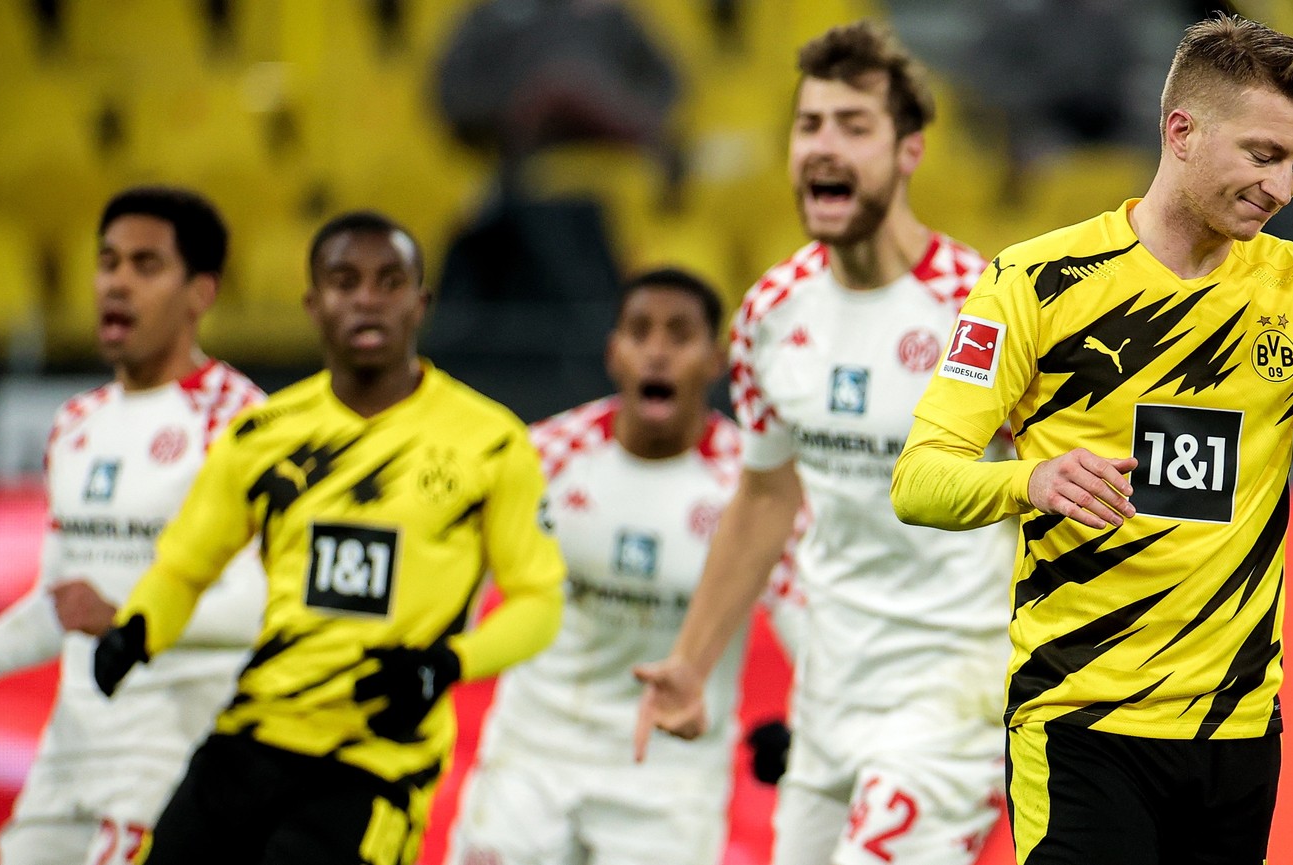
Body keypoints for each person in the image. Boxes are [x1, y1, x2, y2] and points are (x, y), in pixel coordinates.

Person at [890, 14, 1293, 865]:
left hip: (1237, 730)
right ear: (1181, 130)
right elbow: (919, 479)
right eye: (1262, 154)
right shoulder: (1034, 281)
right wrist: (1029, 482)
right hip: (1081, 720)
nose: (1281, 188)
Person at [635, 21, 1018, 865]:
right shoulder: (772, 311)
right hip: (829, 695)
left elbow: (1052, 485)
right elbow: (767, 496)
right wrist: (692, 664)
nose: (823, 146)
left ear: (909, 150)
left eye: (853, 125)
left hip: (954, 695)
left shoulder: (985, 304)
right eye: (809, 126)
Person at [86, 210, 567, 865]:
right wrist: (137, 630)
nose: (367, 297)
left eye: (388, 281)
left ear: (420, 302)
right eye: (345, 281)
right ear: (314, 304)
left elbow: (540, 600)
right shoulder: (263, 437)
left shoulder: (490, 441)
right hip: (252, 736)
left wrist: (445, 665)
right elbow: (184, 567)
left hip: (377, 760)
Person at [0, 185, 266, 865]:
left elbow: (266, 603)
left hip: (172, 759)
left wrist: (124, 618)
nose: (117, 282)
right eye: (108, 261)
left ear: (200, 292)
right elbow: (58, 603)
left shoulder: (242, 424)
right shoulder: (78, 424)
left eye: (145, 266)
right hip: (69, 758)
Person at [447, 266, 794, 865]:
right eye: (640, 332)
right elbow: (458, 584)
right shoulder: (543, 457)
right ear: (614, 353)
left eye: (679, 335)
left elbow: (807, 613)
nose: (657, 352)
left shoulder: (754, 489)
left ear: (715, 360)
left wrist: (807, 724)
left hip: (669, 773)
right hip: (534, 755)